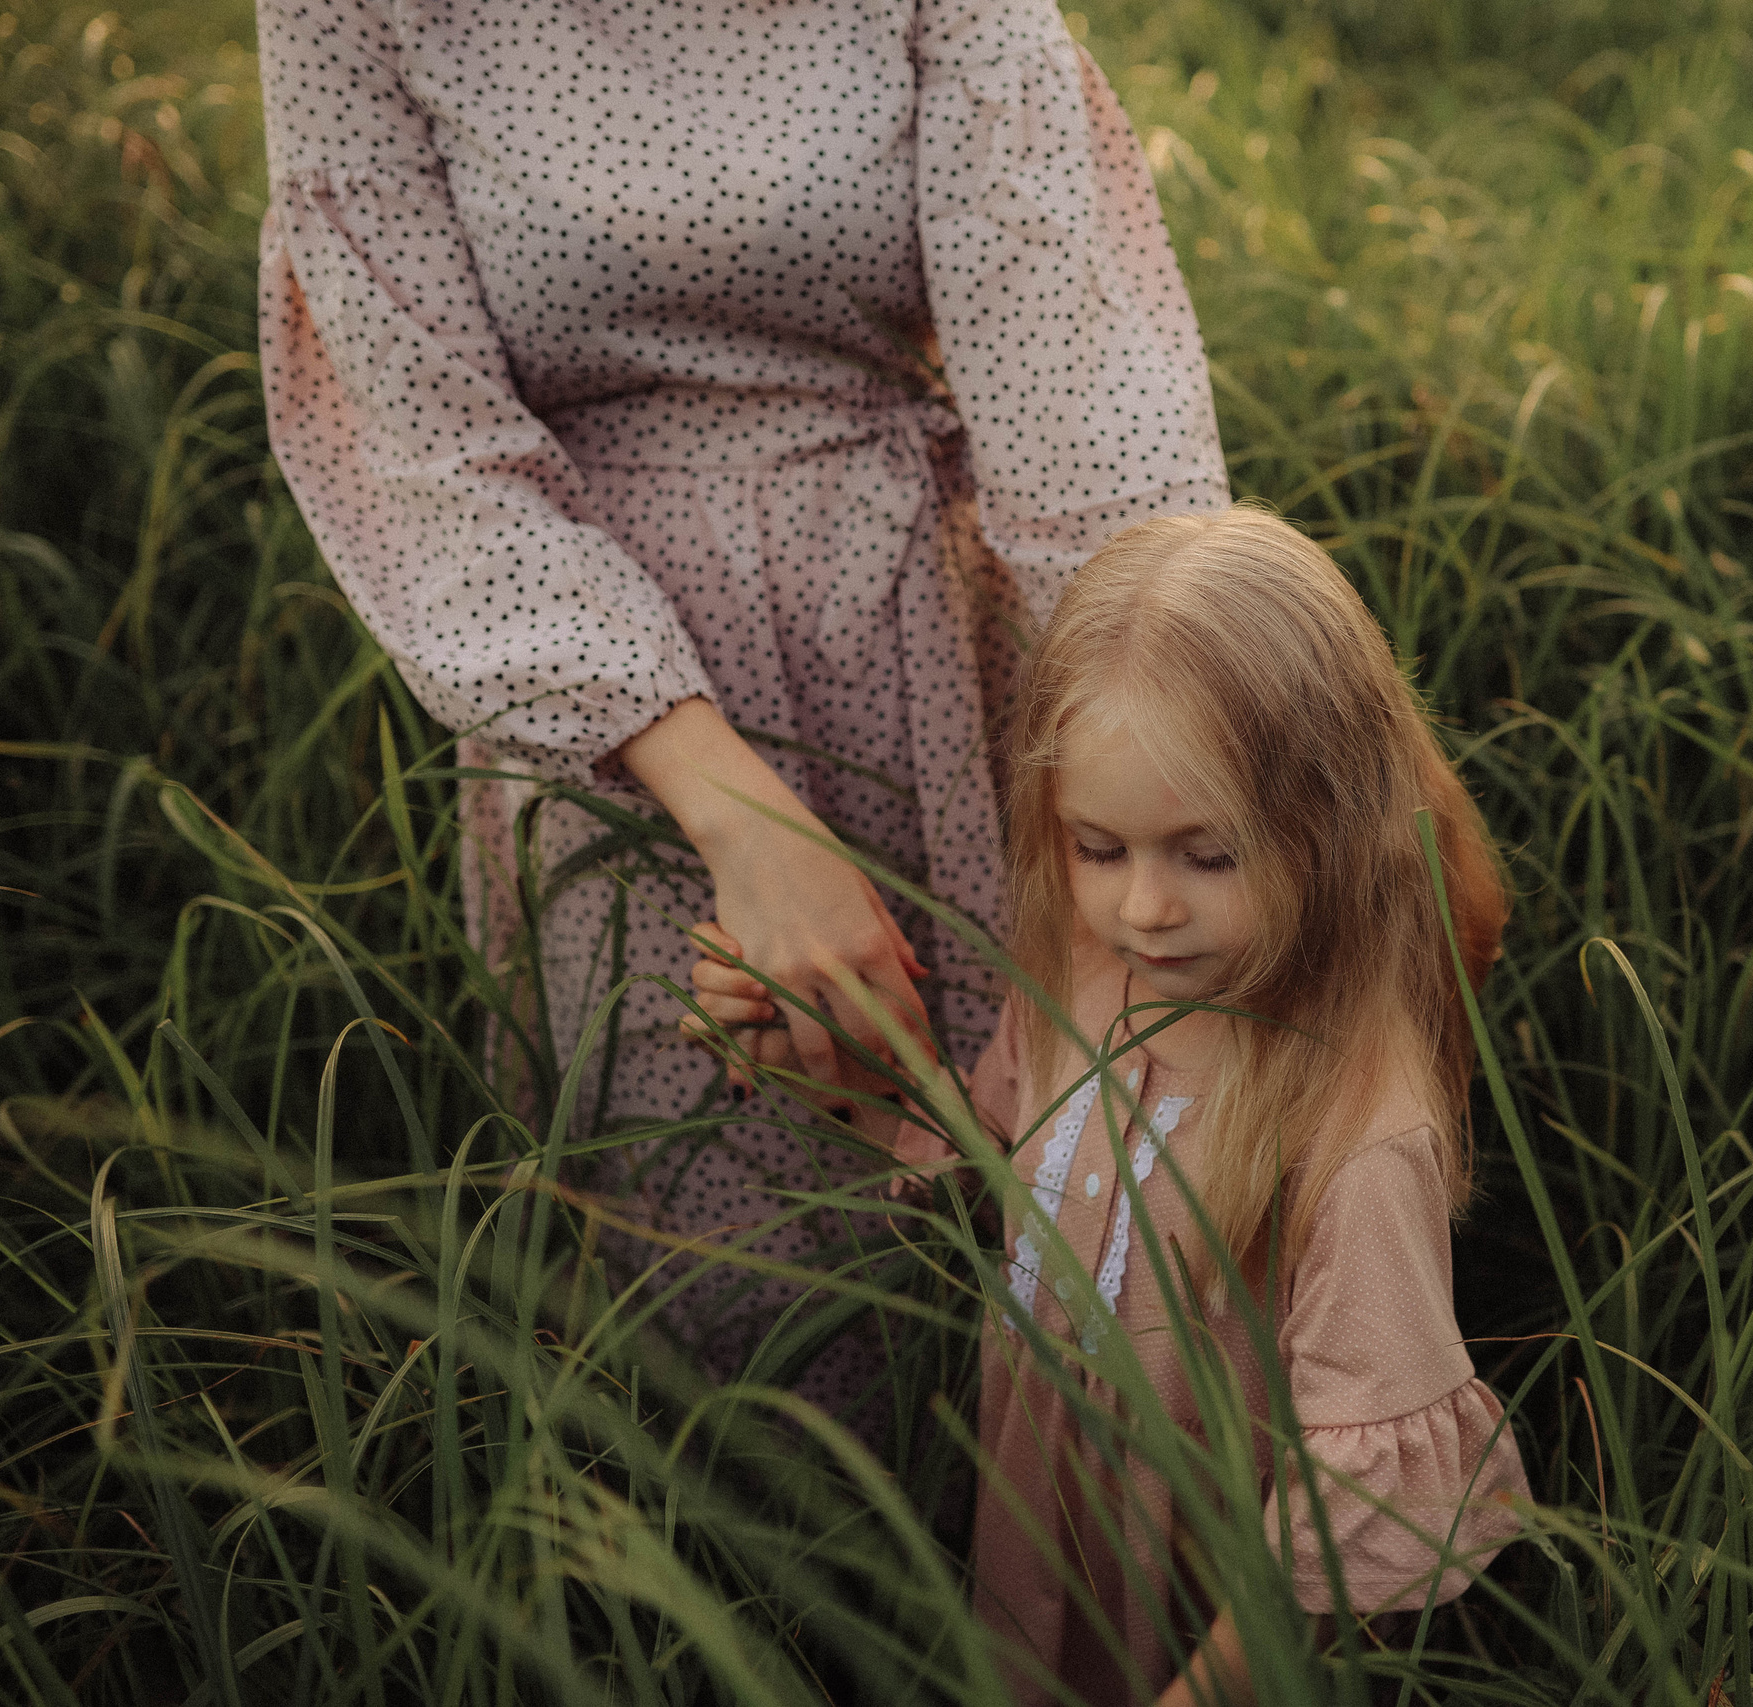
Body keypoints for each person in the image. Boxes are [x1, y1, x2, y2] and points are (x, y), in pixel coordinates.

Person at [254, 0, 1229, 1399]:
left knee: (1022, 1228)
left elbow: (1074, 389)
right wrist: (749, 829)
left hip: (928, 657)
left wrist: (1238, 737)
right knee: (710, 1315)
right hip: (603, 723)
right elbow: (425, 448)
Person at [690, 508, 1532, 1705]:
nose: (1143, 909)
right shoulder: (1085, 980)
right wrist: (818, 1065)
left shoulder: (1355, 1129)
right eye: (1099, 847)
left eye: (1209, 856)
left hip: (1210, 1621)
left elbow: (1357, 1535)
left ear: (1332, 829)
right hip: (1042, 1526)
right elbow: (1002, 1185)